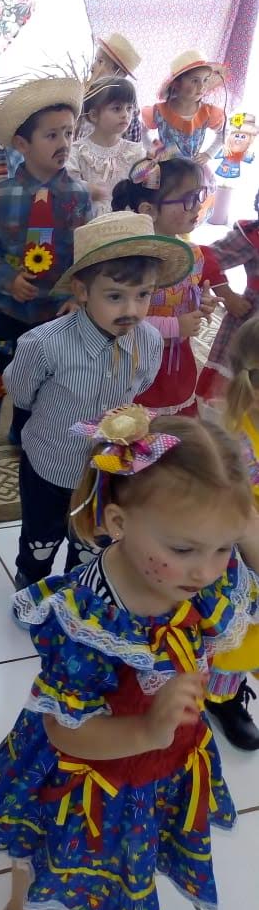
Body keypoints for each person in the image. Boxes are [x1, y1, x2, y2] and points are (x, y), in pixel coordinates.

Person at [0, 408, 259, 910]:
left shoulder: (207, 575)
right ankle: (19, 908)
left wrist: (239, 525)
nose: (207, 571)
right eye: (184, 548)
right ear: (118, 522)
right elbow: (64, 731)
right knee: (41, 836)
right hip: (88, 760)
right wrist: (147, 730)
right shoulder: (87, 619)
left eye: (224, 547)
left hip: (165, 758)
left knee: (133, 844)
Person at [5, 212, 192, 588]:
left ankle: (78, 588)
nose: (132, 310)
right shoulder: (44, 344)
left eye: (143, 295)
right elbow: (22, 393)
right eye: (115, 296)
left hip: (107, 470)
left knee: (92, 541)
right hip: (51, 464)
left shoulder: (149, 341)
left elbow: (141, 385)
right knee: (41, 537)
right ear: (82, 291)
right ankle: (31, 583)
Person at [0, 76, 92, 463]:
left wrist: (76, 296)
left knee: (37, 376)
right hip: (4, 308)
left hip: (53, 312)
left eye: (68, 133)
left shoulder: (79, 196)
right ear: (22, 144)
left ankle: (21, 427)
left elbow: (88, 255)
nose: (63, 143)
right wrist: (7, 278)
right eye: (51, 135)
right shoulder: (1, 194)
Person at [112, 154, 222, 415]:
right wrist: (175, 325)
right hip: (136, 359)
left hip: (178, 360)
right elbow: (120, 319)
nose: (198, 206)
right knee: (134, 424)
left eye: (199, 195)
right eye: (188, 199)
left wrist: (201, 303)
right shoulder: (132, 260)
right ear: (149, 210)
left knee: (176, 424)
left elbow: (185, 298)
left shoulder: (194, 255)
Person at [204, 315, 259, 750]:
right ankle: (222, 696)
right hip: (243, 560)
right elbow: (242, 524)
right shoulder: (235, 446)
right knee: (236, 637)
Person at [196, 192, 259, 403]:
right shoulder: (253, 236)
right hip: (251, 330)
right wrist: (227, 295)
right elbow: (203, 258)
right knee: (232, 398)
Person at [66, 76, 145, 218]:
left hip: (128, 223)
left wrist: (153, 167)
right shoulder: (78, 152)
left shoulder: (135, 152)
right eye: (117, 108)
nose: (125, 115)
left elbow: (143, 190)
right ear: (94, 115)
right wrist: (87, 190)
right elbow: (68, 187)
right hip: (89, 223)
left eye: (129, 108)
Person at [141, 49, 226, 163]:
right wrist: (153, 150)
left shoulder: (209, 113)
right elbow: (142, 132)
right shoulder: (158, 112)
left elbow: (223, 133)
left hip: (192, 170)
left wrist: (208, 154)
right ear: (177, 84)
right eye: (195, 81)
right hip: (166, 169)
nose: (202, 86)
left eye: (205, 80)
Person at [82, 31, 143, 142]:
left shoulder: (130, 116)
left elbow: (134, 147)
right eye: (95, 59)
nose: (92, 67)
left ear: (118, 73)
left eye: (100, 61)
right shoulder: (83, 96)